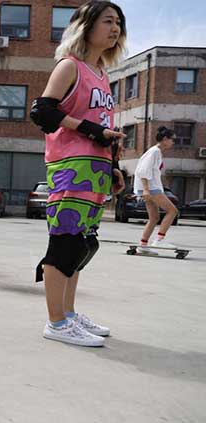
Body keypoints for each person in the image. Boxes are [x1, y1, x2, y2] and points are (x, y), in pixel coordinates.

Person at [29, 1, 127, 347]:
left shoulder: (101, 74)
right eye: (108, 21)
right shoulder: (69, 66)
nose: (115, 29)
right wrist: (88, 130)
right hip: (71, 167)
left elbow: (104, 126)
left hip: (96, 168)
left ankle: (68, 314)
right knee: (65, 241)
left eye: (119, 23)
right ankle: (56, 322)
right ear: (86, 25)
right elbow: (41, 111)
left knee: (84, 245)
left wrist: (114, 166)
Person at [134, 126, 179, 254]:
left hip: (151, 188)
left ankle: (143, 245)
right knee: (172, 211)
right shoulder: (155, 152)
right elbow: (143, 171)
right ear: (165, 139)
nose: (173, 142)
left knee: (154, 217)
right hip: (151, 189)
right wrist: (146, 190)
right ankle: (159, 240)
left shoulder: (155, 152)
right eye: (172, 140)